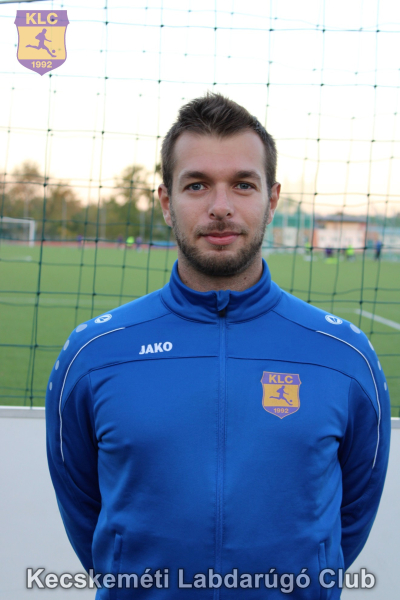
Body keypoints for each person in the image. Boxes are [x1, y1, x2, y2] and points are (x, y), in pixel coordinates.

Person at [46, 93, 390, 599]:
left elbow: (352, 514)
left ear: (272, 199)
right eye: (197, 185)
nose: (221, 206)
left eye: (243, 185)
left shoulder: (344, 354)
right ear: (167, 203)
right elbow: (84, 510)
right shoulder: (94, 351)